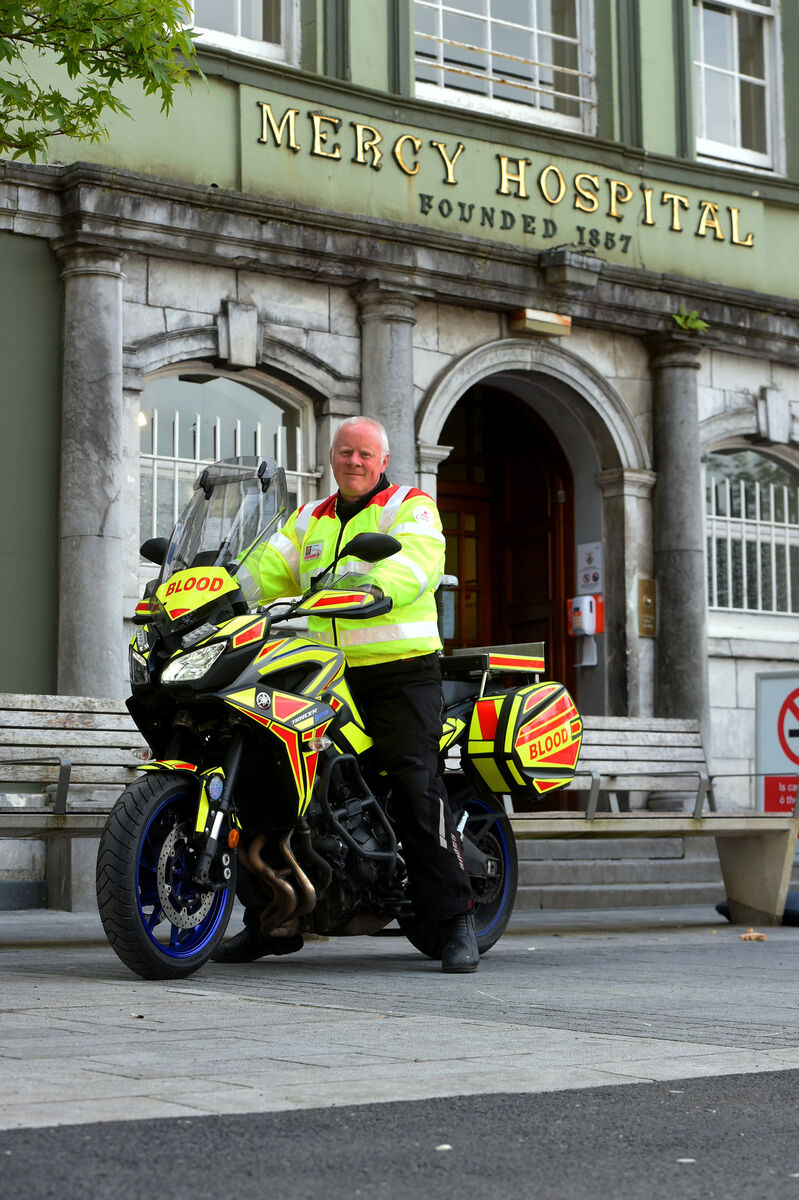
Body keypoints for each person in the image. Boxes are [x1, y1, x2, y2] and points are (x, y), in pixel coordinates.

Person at [212, 416, 478, 973]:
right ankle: (272, 920)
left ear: (383, 462)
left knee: (413, 780)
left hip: (399, 672)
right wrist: (217, 592)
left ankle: (454, 918)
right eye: (345, 453)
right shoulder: (310, 517)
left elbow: (419, 560)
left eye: (365, 455)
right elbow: (265, 568)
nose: (354, 462)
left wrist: (379, 587)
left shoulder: (410, 506)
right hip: (321, 672)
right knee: (273, 775)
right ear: (332, 458)